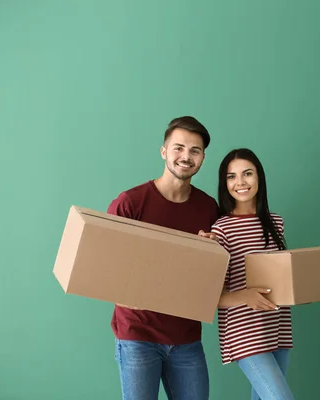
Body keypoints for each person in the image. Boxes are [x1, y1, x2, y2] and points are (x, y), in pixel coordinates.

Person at [106, 116, 219, 400]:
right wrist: (120, 295)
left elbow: (215, 274)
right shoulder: (131, 203)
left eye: (194, 151)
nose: (186, 156)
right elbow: (104, 266)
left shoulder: (208, 208)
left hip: (187, 339)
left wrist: (211, 253)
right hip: (138, 335)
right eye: (178, 148)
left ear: (203, 157)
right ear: (164, 151)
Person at [211, 148, 295, 400]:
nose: (240, 182)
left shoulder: (275, 222)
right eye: (231, 176)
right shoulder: (221, 229)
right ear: (224, 183)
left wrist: (317, 290)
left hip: (277, 327)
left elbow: (283, 279)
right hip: (243, 332)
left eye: (247, 174)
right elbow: (211, 295)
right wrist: (246, 296)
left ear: (259, 177)